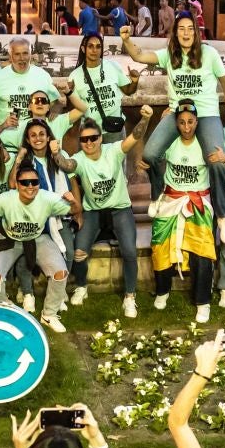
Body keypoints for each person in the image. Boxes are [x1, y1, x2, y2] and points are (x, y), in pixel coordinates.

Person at [124, 17, 225, 241]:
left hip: (206, 113)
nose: (186, 33)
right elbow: (139, 56)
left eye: (190, 29)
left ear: (196, 32)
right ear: (175, 33)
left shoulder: (209, 54)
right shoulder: (169, 55)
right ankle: (157, 195)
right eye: (181, 29)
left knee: (216, 161)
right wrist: (126, 39)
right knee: (149, 154)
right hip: (177, 112)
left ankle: (223, 216)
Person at [0, 157, 79, 334]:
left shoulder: (47, 197)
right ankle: (3, 308)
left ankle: (49, 314)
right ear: (17, 185)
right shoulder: (6, 199)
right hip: (9, 239)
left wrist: (73, 202)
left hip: (37, 238)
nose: (30, 186)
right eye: (25, 182)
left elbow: (75, 211)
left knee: (60, 273)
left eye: (34, 182)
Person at [146, 103, 223, 324]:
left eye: (190, 122)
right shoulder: (170, 143)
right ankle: (162, 290)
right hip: (170, 199)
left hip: (197, 200)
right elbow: (150, 157)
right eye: (181, 122)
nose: (186, 127)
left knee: (202, 250)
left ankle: (203, 302)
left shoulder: (205, 144)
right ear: (176, 124)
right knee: (159, 244)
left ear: (197, 122)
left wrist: (224, 160)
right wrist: (160, 124)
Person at [70, 116, 145, 321]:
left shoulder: (113, 151)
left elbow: (134, 136)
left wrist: (145, 118)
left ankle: (130, 295)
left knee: (129, 250)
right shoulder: (79, 158)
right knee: (78, 250)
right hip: (93, 211)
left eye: (93, 138)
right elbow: (67, 165)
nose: (89, 143)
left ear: (100, 138)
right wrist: (56, 154)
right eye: (84, 140)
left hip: (119, 209)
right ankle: (81, 287)